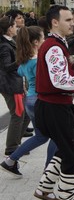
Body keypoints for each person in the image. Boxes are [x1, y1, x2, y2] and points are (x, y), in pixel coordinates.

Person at [34, 5, 74, 200]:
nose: (73, 23)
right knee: (72, 155)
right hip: (55, 107)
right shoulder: (54, 46)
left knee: (63, 149)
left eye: (72, 19)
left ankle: (44, 188)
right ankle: (66, 199)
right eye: (68, 20)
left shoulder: (55, 44)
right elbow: (60, 81)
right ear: (54, 22)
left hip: (53, 106)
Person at [1, 26, 57, 177]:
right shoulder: (38, 60)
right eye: (43, 37)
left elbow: (19, 72)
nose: (45, 40)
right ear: (35, 42)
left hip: (31, 99)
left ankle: (10, 161)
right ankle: (48, 174)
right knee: (57, 136)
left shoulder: (24, 59)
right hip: (41, 99)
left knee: (41, 136)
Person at [0, 16, 27, 157]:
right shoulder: (4, 46)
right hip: (10, 86)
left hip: (15, 83)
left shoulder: (9, 41)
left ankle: (17, 142)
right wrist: (21, 60)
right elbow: (6, 67)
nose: (16, 28)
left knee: (25, 114)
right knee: (17, 114)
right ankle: (11, 148)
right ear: (9, 29)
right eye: (15, 26)